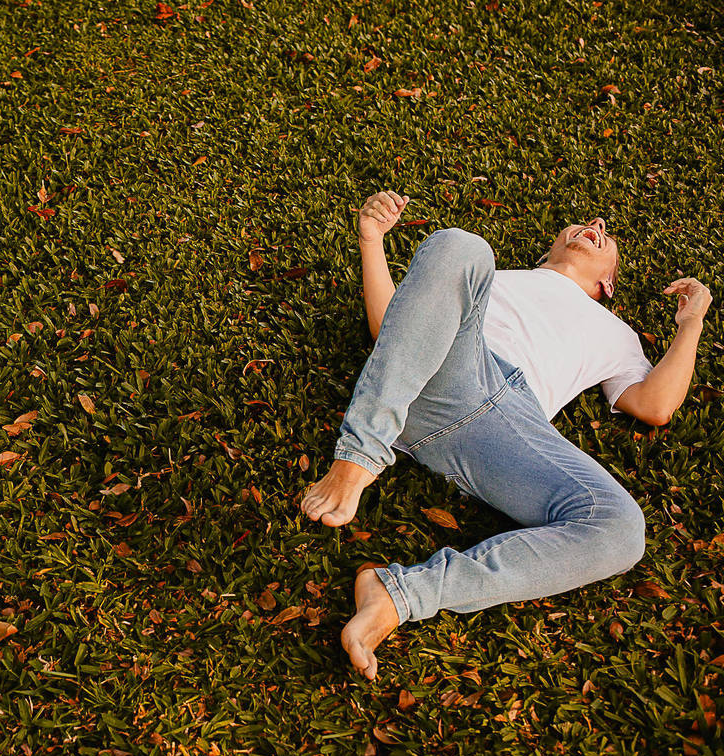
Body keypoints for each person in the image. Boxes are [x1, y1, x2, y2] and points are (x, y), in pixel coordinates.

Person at [301, 190, 713, 680]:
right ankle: (360, 454)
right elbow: (391, 333)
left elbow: (656, 405)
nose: (597, 223)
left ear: (607, 283)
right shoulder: (494, 278)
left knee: (622, 529)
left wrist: (691, 325)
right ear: (549, 251)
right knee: (461, 245)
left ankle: (400, 595)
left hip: (503, 421)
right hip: (439, 373)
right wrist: (372, 242)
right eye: (585, 220)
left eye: (608, 235)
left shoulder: (615, 331)